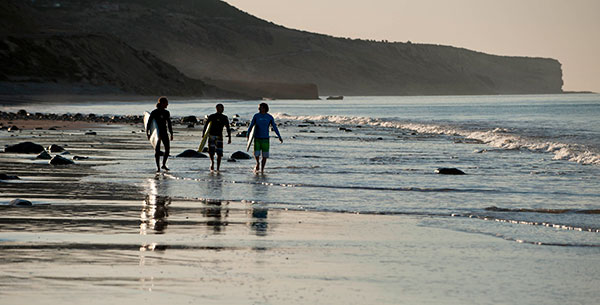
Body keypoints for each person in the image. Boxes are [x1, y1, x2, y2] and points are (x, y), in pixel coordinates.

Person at [247, 103, 283, 173]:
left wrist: (279, 136)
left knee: (265, 156)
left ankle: (262, 170)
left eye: (260, 107)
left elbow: (274, 127)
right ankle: (257, 163)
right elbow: (251, 126)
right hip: (257, 138)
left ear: (264, 108)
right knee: (256, 154)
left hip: (265, 139)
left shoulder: (269, 117)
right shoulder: (256, 116)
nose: (259, 109)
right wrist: (248, 134)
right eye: (259, 107)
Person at [147, 96, 173, 172]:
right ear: (162, 103)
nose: (167, 105)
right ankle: (158, 167)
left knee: (167, 150)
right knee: (157, 151)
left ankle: (163, 164)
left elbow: (169, 123)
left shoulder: (166, 112)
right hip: (157, 133)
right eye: (166, 103)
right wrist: (148, 133)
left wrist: (171, 133)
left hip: (164, 132)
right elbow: (149, 123)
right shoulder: (154, 112)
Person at [203, 103, 232, 172]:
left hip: (219, 136)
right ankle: (212, 162)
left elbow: (228, 127)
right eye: (220, 108)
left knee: (219, 153)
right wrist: (204, 134)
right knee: (211, 151)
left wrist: (229, 137)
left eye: (222, 108)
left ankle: (218, 167)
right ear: (216, 109)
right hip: (211, 135)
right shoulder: (212, 116)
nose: (222, 109)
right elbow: (206, 126)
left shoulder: (224, 117)